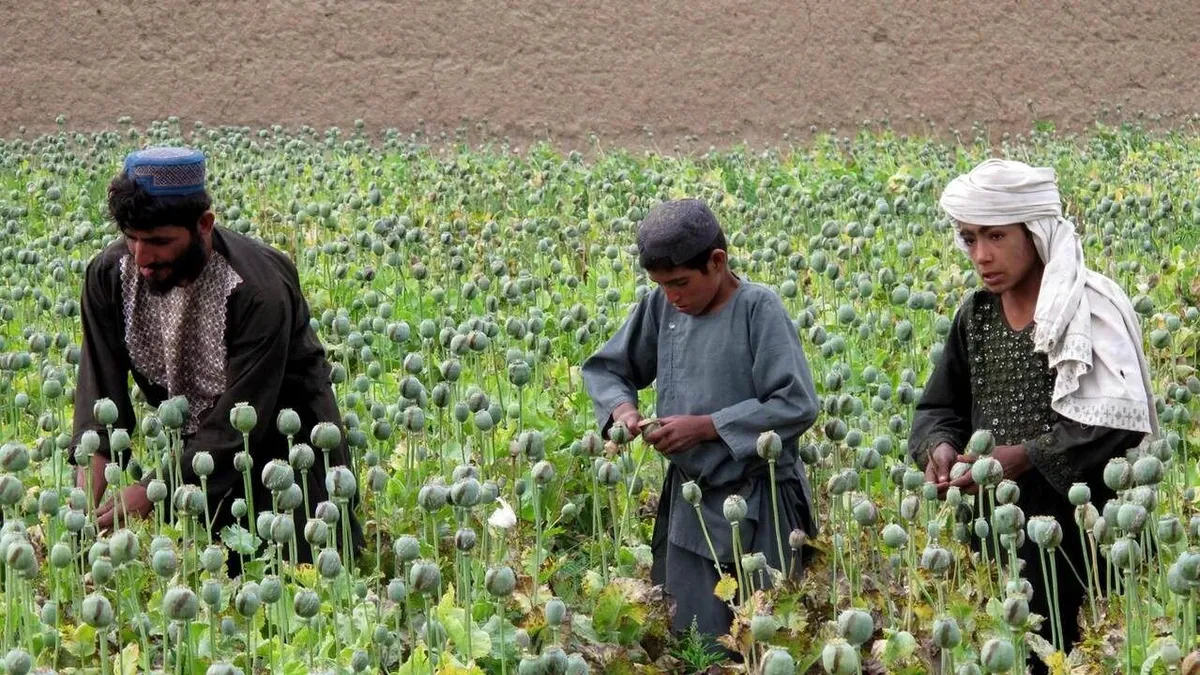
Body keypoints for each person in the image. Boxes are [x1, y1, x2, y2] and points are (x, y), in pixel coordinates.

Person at [70, 146, 361, 575]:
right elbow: (99, 404)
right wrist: (84, 511)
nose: (142, 259)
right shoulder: (109, 277)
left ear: (204, 225)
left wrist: (153, 492)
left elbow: (239, 425)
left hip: (287, 448)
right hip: (196, 454)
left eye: (158, 241)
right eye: (131, 238)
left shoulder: (257, 291)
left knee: (297, 573)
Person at [909, 159, 1158, 657]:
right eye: (970, 238)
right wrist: (938, 448)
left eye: (996, 237)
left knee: (1074, 655)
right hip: (992, 537)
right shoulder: (974, 316)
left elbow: (1114, 428)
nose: (981, 255)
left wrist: (1020, 457)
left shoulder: (1088, 310)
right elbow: (939, 405)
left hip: (1080, 540)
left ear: (1035, 233)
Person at [581, 198, 819, 644]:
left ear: (717, 262)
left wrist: (708, 426)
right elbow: (608, 369)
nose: (672, 296)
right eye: (661, 285)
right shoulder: (664, 308)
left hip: (761, 503)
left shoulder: (758, 309)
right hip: (692, 504)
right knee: (694, 641)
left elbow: (797, 403)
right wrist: (624, 411)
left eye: (680, 283)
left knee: (766, 638)